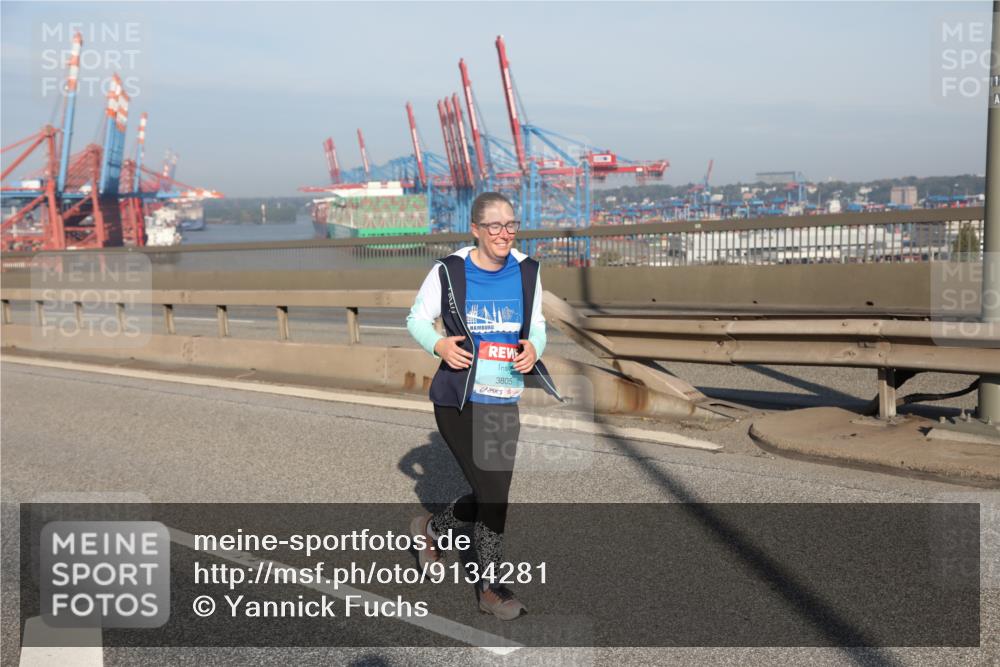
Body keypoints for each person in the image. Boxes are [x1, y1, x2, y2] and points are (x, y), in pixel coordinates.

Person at [405, 191, 562, 620]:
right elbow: (416, 318)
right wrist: (438, 343)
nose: (504, 234)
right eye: (494, 226)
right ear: (475, 229)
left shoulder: (528, 270)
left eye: (510, 225)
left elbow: (538, 327)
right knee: (495, 496)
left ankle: (432, 531)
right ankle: (490, 588)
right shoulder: (449, 271)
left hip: (503, 399)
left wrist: (533, 348)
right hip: (458, 401)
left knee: (492, 493)